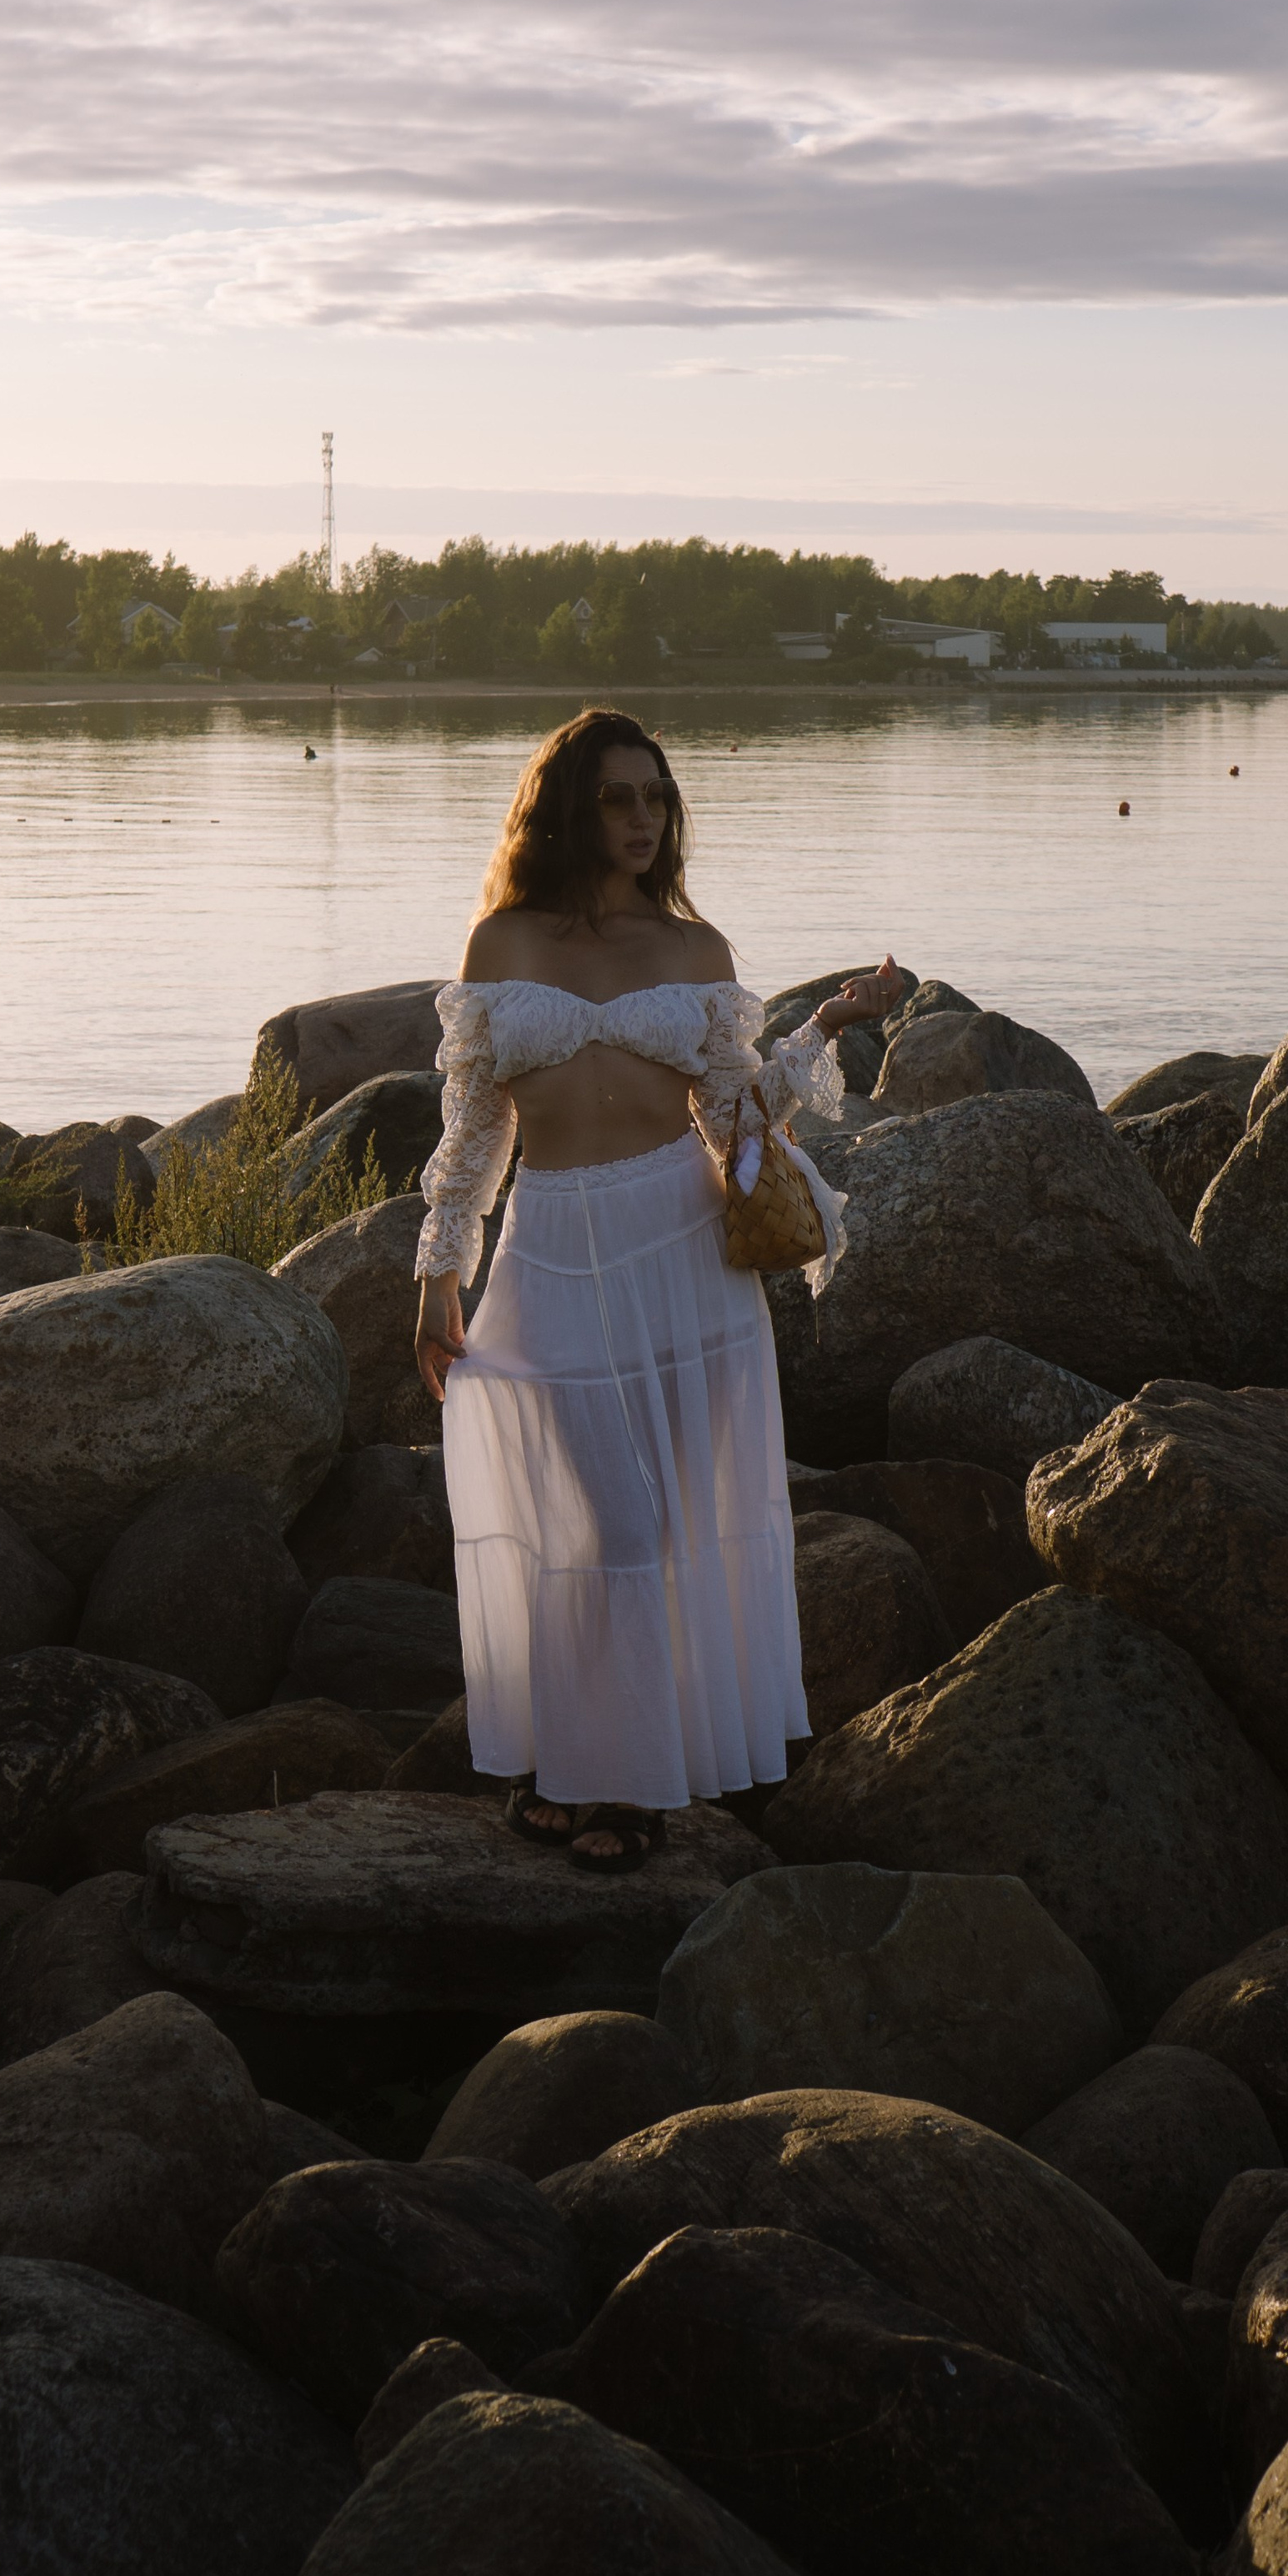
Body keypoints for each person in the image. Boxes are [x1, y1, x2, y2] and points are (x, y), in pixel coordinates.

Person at [413, 706, 901, 1873]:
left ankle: (614, 1789)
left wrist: (826, 1024)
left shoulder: (697, 954)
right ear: (568, 812)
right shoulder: (504, 944)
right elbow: (476, 1132)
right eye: (618, 800)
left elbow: (735, 1119)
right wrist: (440, 1271)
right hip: (551, 1245)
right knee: (588, 1519)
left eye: (657, 798)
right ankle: (585, 1761)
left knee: (657, 1526)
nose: (642, 821)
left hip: (677, 1245)